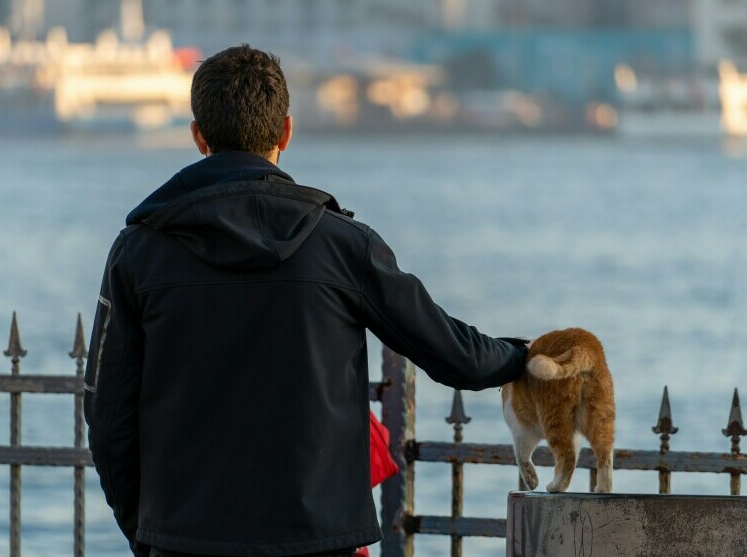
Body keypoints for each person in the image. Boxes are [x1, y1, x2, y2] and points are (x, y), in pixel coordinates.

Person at [84, 44, 529, 557]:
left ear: (198, 136)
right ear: (286, 133)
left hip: (184, 538)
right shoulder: (344, 247)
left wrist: (146, 529)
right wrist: (523, 357)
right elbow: (455, 356)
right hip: (319, 540)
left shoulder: (139, 252)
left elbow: (107, 415)